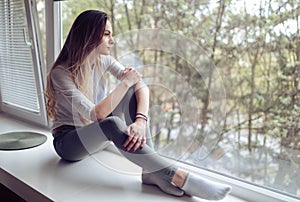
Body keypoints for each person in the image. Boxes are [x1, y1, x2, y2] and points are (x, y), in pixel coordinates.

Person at [45, 10, 231, 200]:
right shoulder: (61, 73)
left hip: (96, 138)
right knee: (111, 122)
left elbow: (140, 86)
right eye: (107, 34)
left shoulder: (104, 60)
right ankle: (179, 176)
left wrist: (141, 121)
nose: (112, 40)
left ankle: (149, 172)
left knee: (131, 95)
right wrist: (125, 82)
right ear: (89, 36)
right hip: (69, 143)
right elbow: (97, 114)